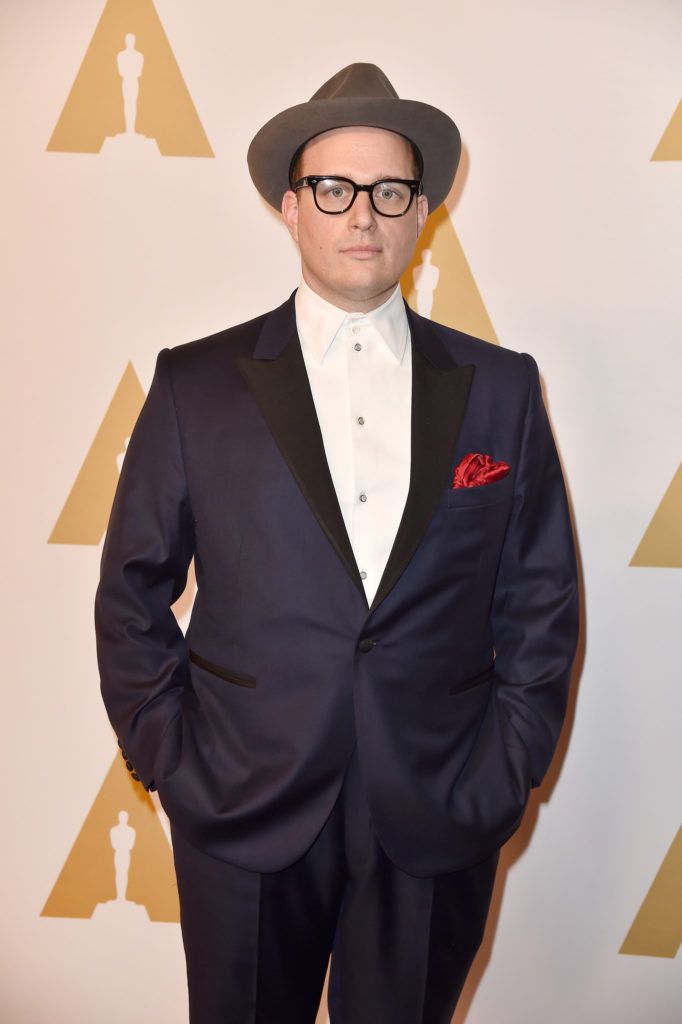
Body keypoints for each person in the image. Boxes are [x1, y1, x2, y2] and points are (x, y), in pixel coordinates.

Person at [95, 63, 579, 1024]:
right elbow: (131, 595)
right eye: (335, 189)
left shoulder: (501, 389)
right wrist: (174, 761)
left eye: (389, 191)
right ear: (290, 207)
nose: (363, 214)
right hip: (242, 803)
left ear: (421, 210)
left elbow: (542, 604)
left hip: (438, 809)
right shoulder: (197, 386)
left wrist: (502, 774)